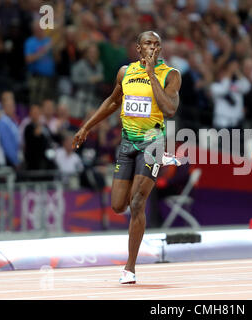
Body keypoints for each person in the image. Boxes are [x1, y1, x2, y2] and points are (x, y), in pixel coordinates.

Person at [72, 31, 181, 284]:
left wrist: (152, 73)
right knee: (118, 205)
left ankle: (129, 267)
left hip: (153, 142)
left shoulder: (170, 75)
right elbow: (112, 101)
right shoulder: (125, 72)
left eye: (156, 44)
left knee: (138, 203)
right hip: (128, 143)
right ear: (138, 48)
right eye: (148, 43)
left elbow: (170, 109)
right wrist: (86, 127)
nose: (153, 47)